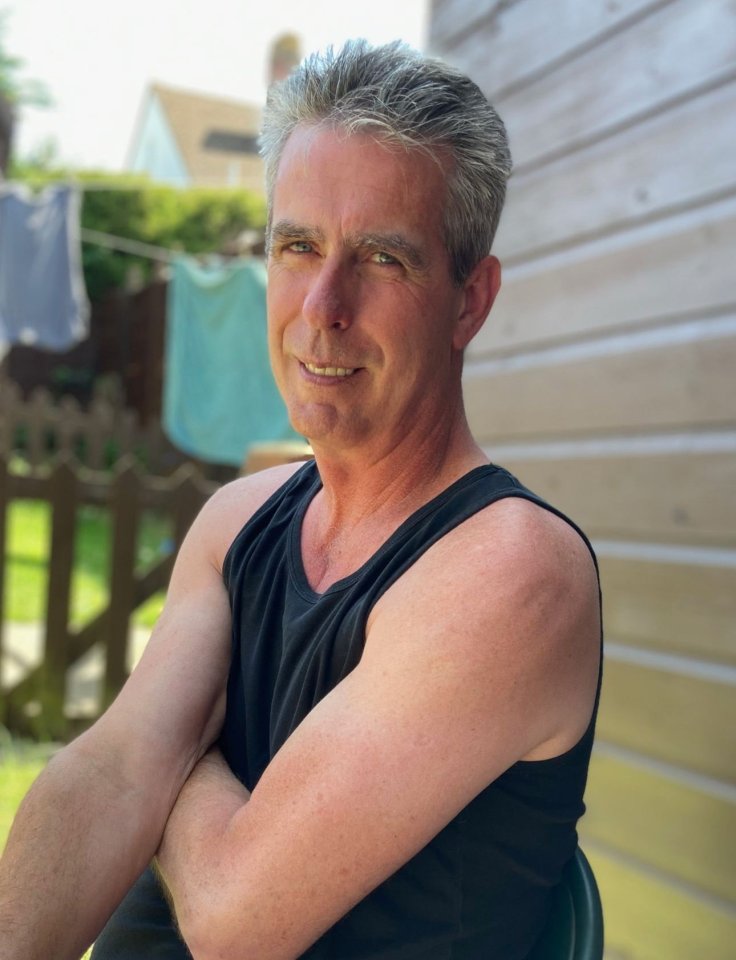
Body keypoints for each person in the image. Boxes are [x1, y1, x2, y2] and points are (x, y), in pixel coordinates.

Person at [0, 40, 602, 960]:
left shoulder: (512, 574)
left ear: (469, 302)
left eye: (383, 258)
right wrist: (145, 757)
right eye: (297, 246)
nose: (322, 306)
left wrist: (174, 746)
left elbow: (233, 918)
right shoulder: (238, 520)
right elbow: (109, 773)